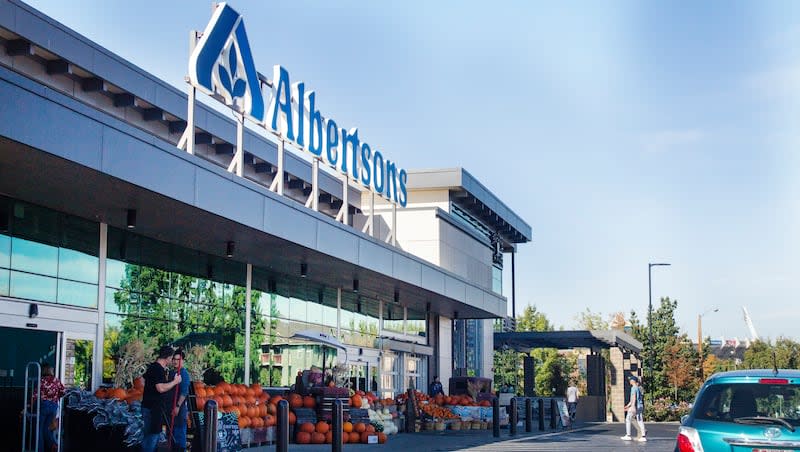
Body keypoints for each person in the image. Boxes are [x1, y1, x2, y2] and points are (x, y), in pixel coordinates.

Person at [142, 345, 182, 452]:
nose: (172, 360)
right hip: (153, 409)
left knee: (148, 436)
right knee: (152, 436)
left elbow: (143, 381)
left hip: (148, 406)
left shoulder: (152, 367)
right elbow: (160, 388)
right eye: (171, 358)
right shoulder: (158, 369)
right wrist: (175, 382)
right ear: (168, 357)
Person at [37, 363, 64, 452]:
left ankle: (40, 450)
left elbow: (35, 394)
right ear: (51, 371)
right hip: (54, 406)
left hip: (44, 405)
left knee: (39, 429)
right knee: (46, 429)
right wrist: (56, 397)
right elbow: (63, 391)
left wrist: (29, 405)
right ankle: (53, 445)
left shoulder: (41, 381)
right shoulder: (56, 380)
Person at [168, 348, 191, 452]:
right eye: (174, 359)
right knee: (171, 433)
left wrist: (177, 406)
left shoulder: (184, 374)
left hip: (179, 408)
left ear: (183, 361)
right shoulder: (172, 373)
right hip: (170, 406)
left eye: (178, 359)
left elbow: (184, 392)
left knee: (179, 433)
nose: (175, 361)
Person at [621, 375, 646, 442]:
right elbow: (634, 399)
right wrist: (628, 405)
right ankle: (643, 436)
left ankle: (628, 435)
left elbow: (634, 398)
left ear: (633, 381)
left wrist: (632, 407)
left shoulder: (633, 388)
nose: (629, 381)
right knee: (640, 420)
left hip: (635, 406)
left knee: (628, 419)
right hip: (640, 405)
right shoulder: (638, 388)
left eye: (630, 380)